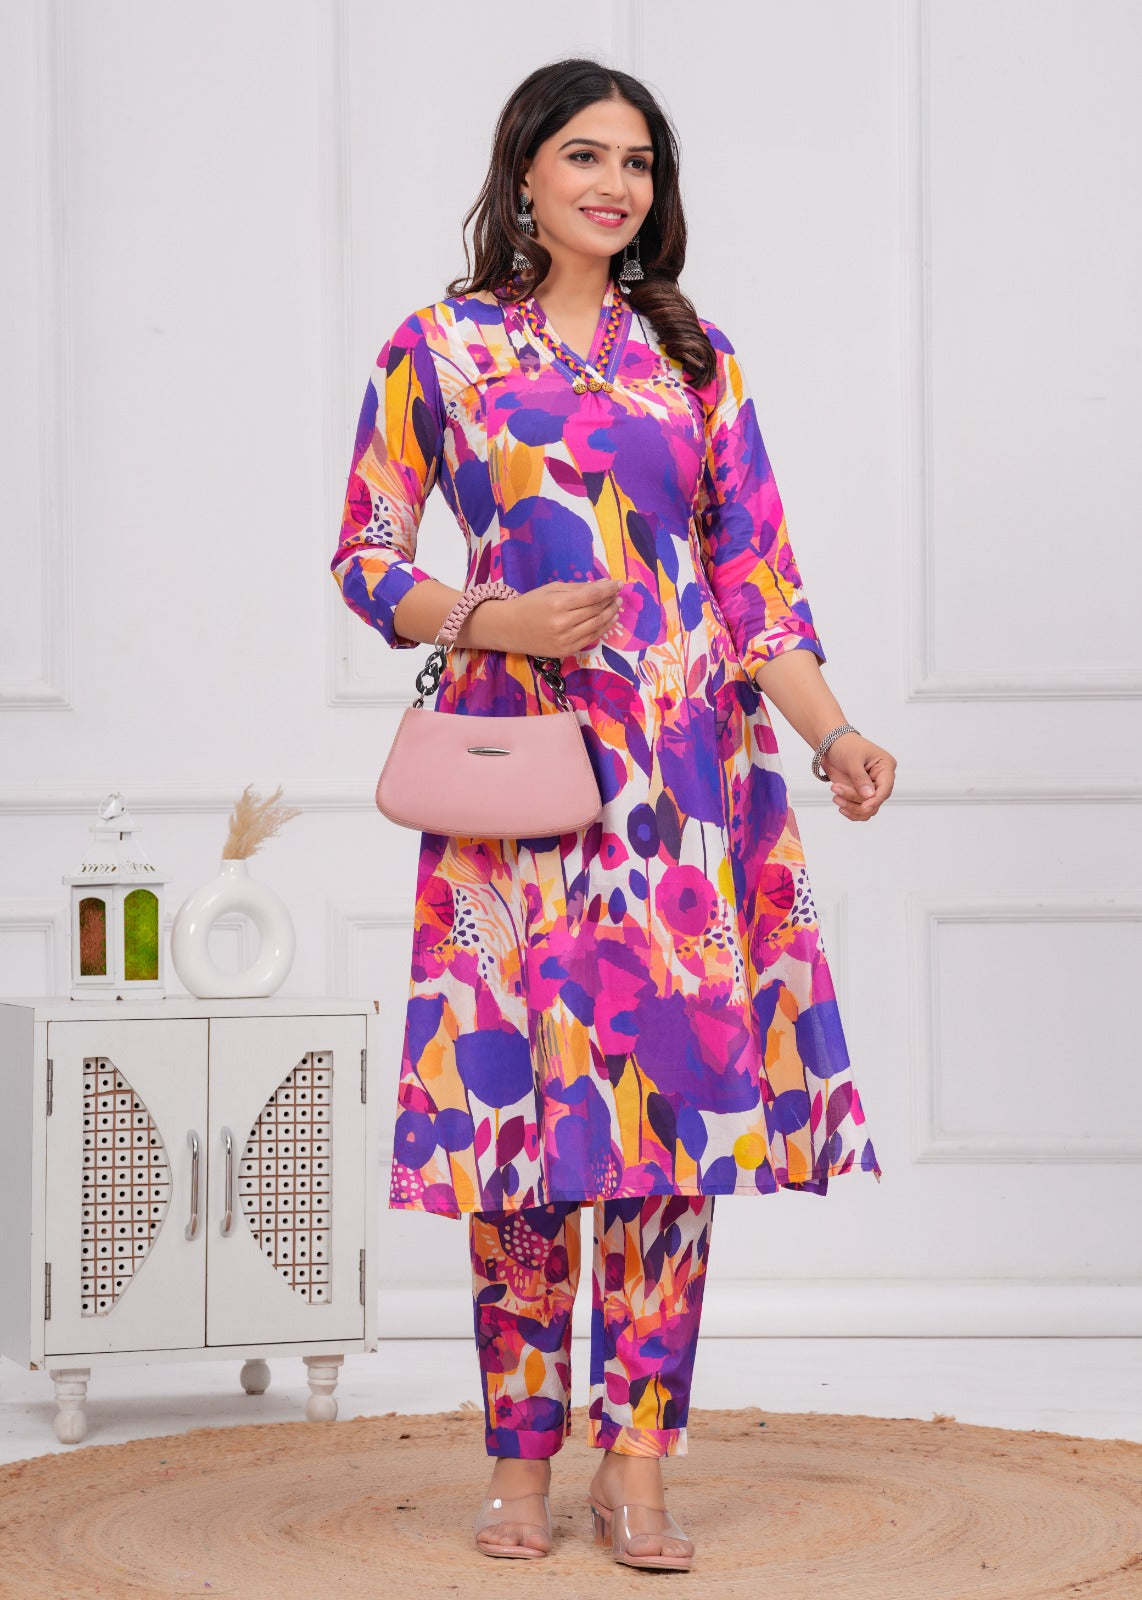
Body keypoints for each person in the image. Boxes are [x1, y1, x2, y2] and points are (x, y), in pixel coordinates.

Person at [331, 57, 895, 1572]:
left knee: (665, 1135)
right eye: (584, 155)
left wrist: (835, 734)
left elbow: (757, 584)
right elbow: (367, 553)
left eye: (637, 162)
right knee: (518, 1132)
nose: (614, 184)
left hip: (684, 790)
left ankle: (636, 1464)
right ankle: (518, 1462)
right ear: (524, 169)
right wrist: (492, 616)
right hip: (516, 780)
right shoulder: (438, 348)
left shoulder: (694, 358)